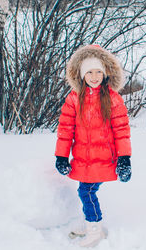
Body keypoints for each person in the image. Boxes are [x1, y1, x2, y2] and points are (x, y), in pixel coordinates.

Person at [54, 44, 132, 248]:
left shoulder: (113, 99)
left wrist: (124, 158)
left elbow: (122, 129)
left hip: (105, 158)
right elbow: (65, 128)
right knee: (86, 191)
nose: (95, 76)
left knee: (86, 192)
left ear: (105, 74)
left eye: (99, 71)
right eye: (90, 72)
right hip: (82, 158)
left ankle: (94, 229)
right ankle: (91, 222)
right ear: (82, 75)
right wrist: (61, 156)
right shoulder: (73, 99)